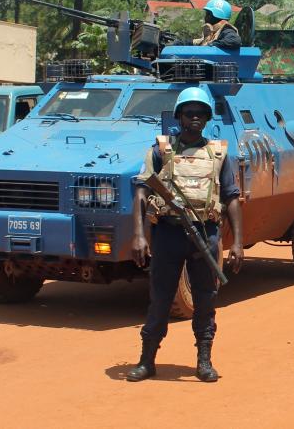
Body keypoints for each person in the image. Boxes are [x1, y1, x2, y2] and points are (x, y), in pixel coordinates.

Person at [127, 87, 244, 382]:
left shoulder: (218, 155)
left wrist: (238, 243)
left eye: (201, 113)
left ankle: (204, 361)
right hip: (168, 235)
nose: (195, 118)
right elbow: (141, 192)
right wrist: (139, 236)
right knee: (160, 299)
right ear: (178, 116)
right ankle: (147, 360)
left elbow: (231, 197)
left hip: (205, 235)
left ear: (207, 118)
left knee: (205, 300)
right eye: (189, 113)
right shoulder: (160, 152)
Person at [171, 0, 242, 48]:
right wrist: (178, 43)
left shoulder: (226, 30)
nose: (205, 17)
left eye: (208, 14)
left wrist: (211, 45)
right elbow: (197, 41)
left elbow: (235, 41)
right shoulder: (214, 32)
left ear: (216, 15)